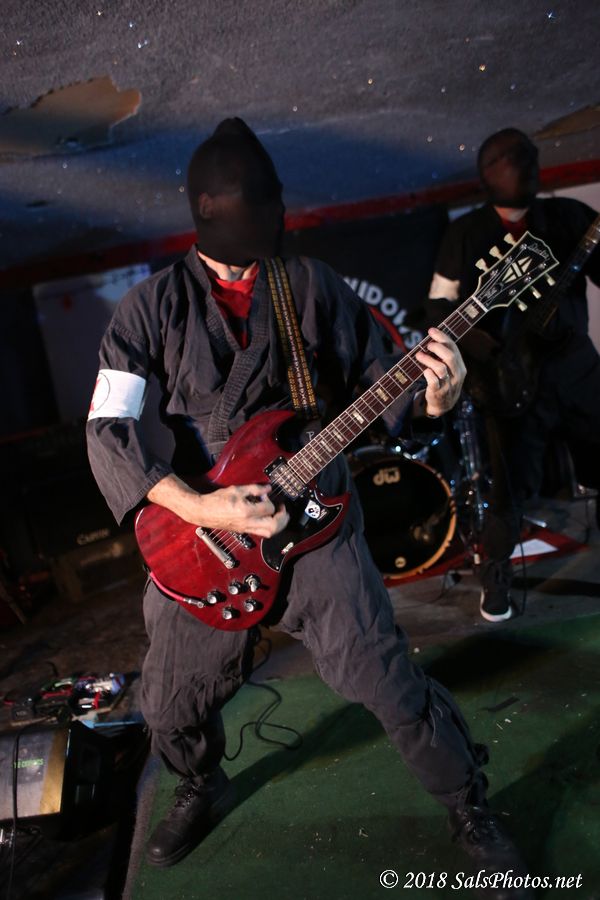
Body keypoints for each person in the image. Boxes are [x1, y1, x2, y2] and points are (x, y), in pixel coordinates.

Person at [87, 118, 531, 897]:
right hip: (206, 535)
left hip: (318, 525)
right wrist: (205, 508)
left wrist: (437, 392)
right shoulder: (149, 309)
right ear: (212, 213)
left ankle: (468, 805)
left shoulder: (311, 286)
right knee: (167, 704)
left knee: (387, 680)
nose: (275, 222)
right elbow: (107, 429)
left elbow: (388, 389)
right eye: (259, 211)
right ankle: (201, 781)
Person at [428, 127, 600, 624]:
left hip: (575, 367)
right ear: (488, 173)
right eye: (513, 160)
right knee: (507, 488)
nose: (527, 167)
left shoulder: (568, 216)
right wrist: (485, 350)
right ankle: (496, 575)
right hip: (508, 378)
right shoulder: (465, 234)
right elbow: (438, 306)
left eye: (530, 158)